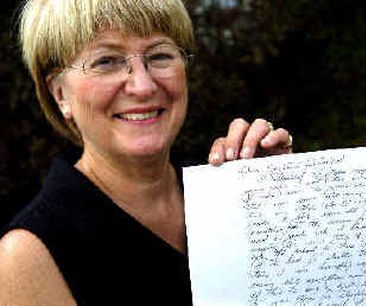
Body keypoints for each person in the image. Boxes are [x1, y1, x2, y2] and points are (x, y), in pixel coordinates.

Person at [0, 0, 293, 305]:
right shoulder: (28, 255)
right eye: (106, 61)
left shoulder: (224, 197)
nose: (142, 85)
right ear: (60, 94)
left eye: (160, 56)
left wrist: (281, 205)